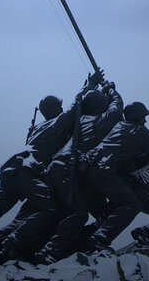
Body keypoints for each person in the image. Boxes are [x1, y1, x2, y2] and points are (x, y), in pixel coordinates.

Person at [0, 72, 103, 269]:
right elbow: (77, 105)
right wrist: (90, 85)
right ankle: (12, 242)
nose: (63, 108)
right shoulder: (57, 123)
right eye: (60, 106)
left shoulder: (37, 129)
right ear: (56, 109)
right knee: (50, 209)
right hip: (27, 173)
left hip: (11, 170)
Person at [35, 78, 123, 263]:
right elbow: (117, 109)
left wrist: (90, 88)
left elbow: (78, 103)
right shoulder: (99, 122)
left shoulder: (76, 120)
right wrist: (111, 90)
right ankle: (49, 251)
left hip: (58, 171)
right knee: (79, 213)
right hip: (66, 170)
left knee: (90, 211)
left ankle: (73, 244)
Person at [82, 101, 149, 251]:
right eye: (143, 117)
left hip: (91, 168)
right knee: (132, 204)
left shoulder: (119, 126)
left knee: (112, 207)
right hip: (103, 170)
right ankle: (99, 240)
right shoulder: (139, 131)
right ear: (137, 117)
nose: (145, 120)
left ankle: (84, 235)